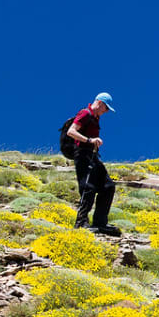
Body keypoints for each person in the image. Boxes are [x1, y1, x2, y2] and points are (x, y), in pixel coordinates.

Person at [66, 92, 120, 236]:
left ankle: (100, 223)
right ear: (100, 103)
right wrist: (90, 141)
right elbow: (71, 132)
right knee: (88, 188)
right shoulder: (85, 113)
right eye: (106, 108)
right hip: (82, 155)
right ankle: (81, 223)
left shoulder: (95, 118)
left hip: (93, 156)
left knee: (108, 186)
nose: (106, 111)